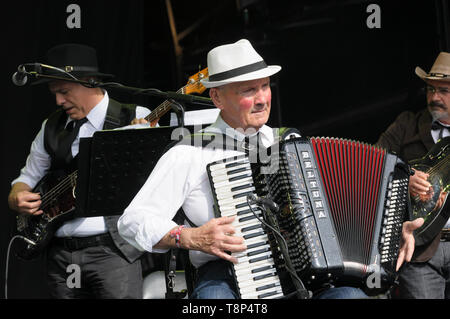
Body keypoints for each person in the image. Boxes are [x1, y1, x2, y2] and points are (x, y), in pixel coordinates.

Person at [119, 39, 412, 299]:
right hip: (226, 273)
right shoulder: (190, 153)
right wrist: (190, 237)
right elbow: (132, 221)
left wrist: (390, 234)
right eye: (248, 90)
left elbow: (350, 207)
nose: (262, 98)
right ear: (217, 97)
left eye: (264, 86)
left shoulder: (291, 144)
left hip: (307, 271)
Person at [8, 43, 150, 298]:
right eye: (54, 93)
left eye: (64, 91)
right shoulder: (51, 126)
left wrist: (143, 143)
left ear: (90, 82)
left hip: (113, 251)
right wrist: (17, 195)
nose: (58, 101)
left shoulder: (135, 117)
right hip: (60, 254)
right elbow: (27, 177)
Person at [376, 51, 450, 299]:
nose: (434, 97)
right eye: (430, 89)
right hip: (420, 249)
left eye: (444, 91)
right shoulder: (407, 124)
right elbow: (372, 164)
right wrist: (404, 178)